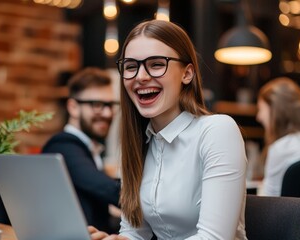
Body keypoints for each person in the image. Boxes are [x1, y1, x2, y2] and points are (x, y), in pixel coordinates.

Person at [92, 19, 248, 240]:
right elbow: (135, 232)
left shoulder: (217, 131)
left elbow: (213, 238)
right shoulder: (137, 144)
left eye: (156, 64)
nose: (141, 76)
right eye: (130, 67)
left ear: (187, 74)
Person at [42, 67, 121, 233]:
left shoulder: (89, 149)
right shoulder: (63, 146)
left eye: (111, 105)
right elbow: (109, 190)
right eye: (97, 105)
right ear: (73, 107)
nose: (107, 113)